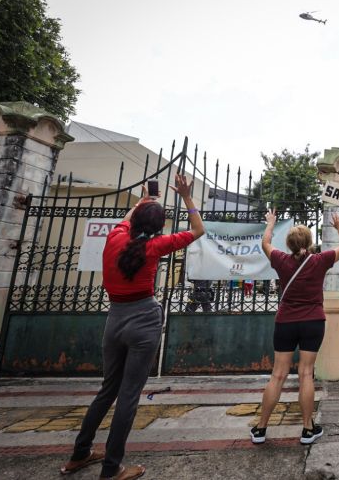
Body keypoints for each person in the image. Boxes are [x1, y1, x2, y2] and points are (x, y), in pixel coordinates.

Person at [60, 174, 204, 480]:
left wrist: (143, 200)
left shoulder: (116, 237)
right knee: (129, 396)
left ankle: (80, 453)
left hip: (115, 318)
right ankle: (112, 468)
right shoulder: (155, 246)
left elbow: (128, 221)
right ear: (160, 226)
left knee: (107, 390)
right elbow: (198, 229)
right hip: (144, 320)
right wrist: (188, 197)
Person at [250, 210, 339, 445]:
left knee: (278, 375)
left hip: (285, 322)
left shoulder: (280, 260)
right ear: (309, 243)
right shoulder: (320, 260)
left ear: (289, 244)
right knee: (306, 373)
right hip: (313, 321)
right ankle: (307, 429)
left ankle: (261, 428)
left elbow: (264, 243)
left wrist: (271, 223)